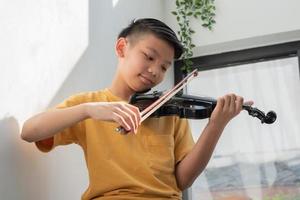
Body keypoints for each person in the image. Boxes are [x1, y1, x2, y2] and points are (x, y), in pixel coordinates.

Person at [21, 18, 252, 200]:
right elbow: (30, 131)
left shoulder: (170, 112)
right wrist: (88, 110)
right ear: (122, 48)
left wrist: (216, 125)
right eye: (149, 57)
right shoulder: (91, 104)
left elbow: (183, 179)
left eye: (163, 67)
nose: (155, 71)